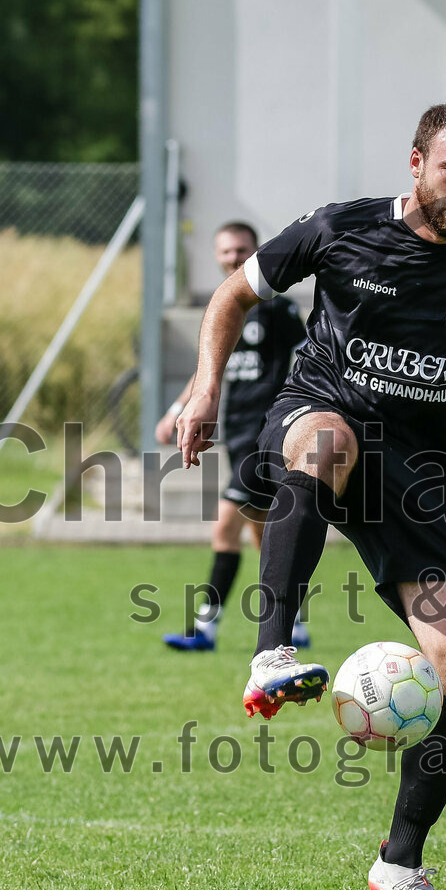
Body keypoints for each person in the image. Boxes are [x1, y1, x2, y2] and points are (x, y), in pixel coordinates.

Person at [174, 102, 446, 890]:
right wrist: (205, 385)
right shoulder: (338, 229)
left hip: (414, 475)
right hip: (319, 413)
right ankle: (272, 648)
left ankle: (400, 863)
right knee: (325, 442)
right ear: (418, 160)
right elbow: (230, 297)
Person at [156, 221, 309, 651]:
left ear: (256, 250)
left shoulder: (276, 309)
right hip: (236, 434)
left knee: (225, 530)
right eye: (225, 251)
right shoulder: (223, 308)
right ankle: (292, 623)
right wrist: (176, 410)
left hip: (264, 437)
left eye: (241, 249)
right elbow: (208, 371)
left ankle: (205, 628)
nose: (233, 257)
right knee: (264, 537)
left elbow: (303, 357)